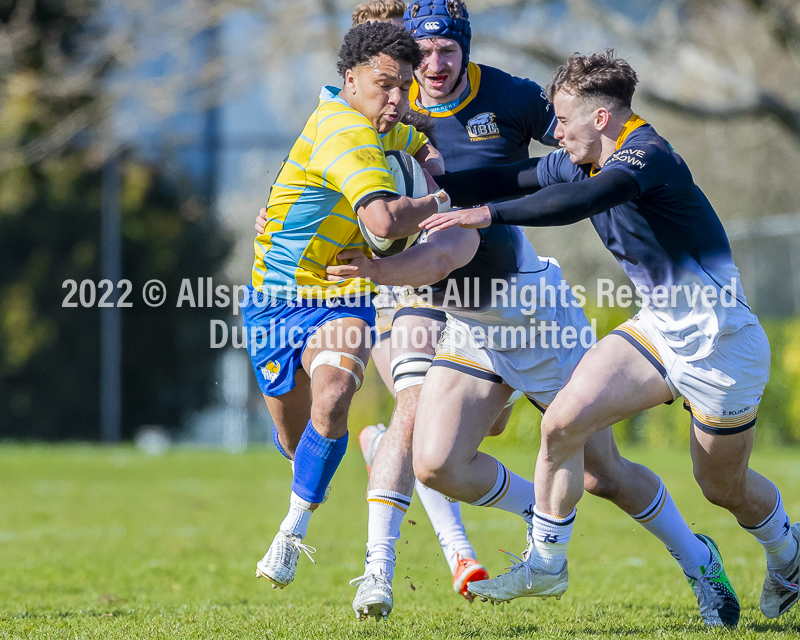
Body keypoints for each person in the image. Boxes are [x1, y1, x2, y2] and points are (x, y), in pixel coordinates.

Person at [421, 50, 799, 624]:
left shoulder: (646, 156)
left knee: (724, 487)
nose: (557, 133)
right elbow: (513, 177)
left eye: (564, 120)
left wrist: (488, 216)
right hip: (656, 332)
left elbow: (581, 203)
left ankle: (788, 557)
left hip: (722, 346)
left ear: (599, 119)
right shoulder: (582, 159)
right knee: (561, 422)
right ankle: (547, 562)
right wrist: (429, 189)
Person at [257, 0, 557, 606]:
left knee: (442, 423)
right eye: (389, 68)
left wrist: (445, 179)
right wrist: (440, 200)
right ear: (355, 65)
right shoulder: (351, 117)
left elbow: (572, 148)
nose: (406, 82)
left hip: (422, 285)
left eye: (412, 62)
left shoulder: (464, 98)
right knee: (348, 431)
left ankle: (402, 544)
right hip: (342, 285)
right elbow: (375, 212)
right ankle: (394, 547)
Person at [245, 20, 450, 591]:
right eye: (385, 85)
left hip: (343, 293)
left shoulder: (378, 121)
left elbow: (420, 139)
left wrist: (430, 153)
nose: (397, 100)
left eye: (404, 87)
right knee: (296, 440)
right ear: (350, 78)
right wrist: (438, 200)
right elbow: (383, 221)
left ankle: (292, 529)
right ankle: (313, 481)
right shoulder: (345, 131)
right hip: (275, 299)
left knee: (334, 400)